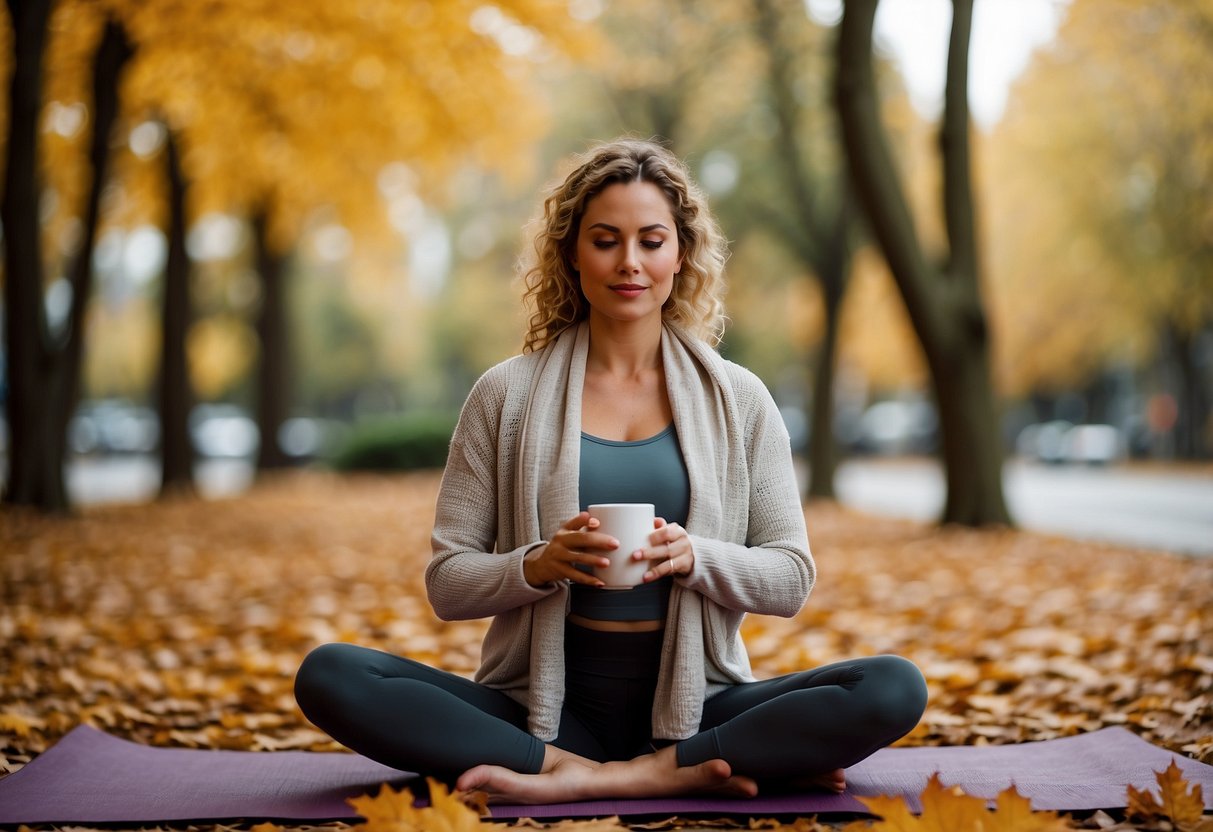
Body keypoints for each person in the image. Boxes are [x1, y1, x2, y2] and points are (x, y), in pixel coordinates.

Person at [294, 138, 927, 804]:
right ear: (571, 252)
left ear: (680, 254)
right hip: (541, 712)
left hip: (698, 708)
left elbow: (789, 578)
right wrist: (535, 565)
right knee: (331, 674)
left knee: (892, 687)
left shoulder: (739, 399)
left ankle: (619, 775)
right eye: (605, 240)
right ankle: (584, 763)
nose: (630, 263)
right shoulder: (504, 395)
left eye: (651, 241)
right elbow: (448, 585)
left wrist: (695, 555)